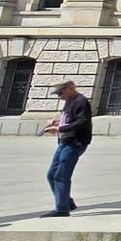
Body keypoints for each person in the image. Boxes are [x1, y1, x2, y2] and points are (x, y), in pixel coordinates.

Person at [42, 80, 92, 217]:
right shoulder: (69, 101)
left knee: (61, 175)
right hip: (64, 141)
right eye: (58, 94)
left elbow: (82, 122)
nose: (60, 96)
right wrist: (57, 122)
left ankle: (62, 209)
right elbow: (70, 120)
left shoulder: (81, 101)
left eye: (61, 92)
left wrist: (59, 129)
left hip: (75, 142)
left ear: (71, 88)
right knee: (51, 174)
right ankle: (67, 202)